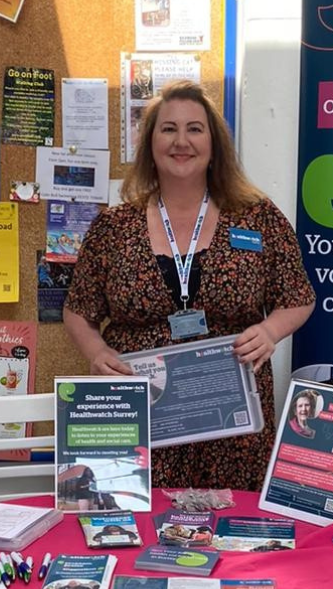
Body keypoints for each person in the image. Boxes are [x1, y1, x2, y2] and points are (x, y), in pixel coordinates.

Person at [64, 80, 315, 491]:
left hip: (230, 412)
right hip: (140, 408)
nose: (182, 141)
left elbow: (298, 298)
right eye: (168, 129)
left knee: (232, 534)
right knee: (134, 526)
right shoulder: (113, 226)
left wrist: (270, 332)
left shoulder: (256, 217)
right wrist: (96, 352)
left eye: (195, 129)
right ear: (150, 144)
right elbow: (79, 308)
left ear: (214, 143)